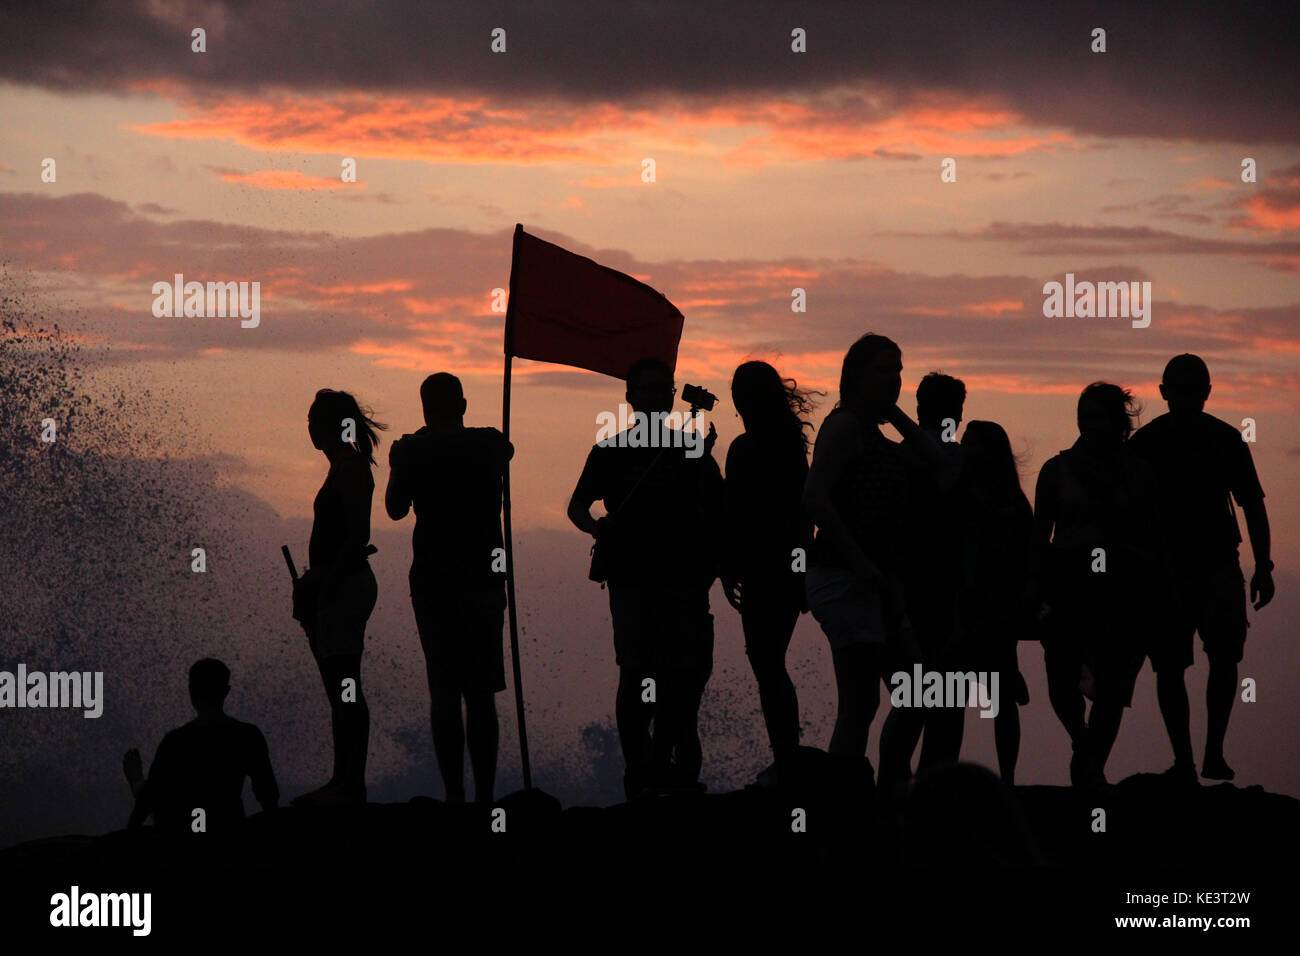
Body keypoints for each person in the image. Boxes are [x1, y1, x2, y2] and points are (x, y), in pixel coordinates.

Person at [568, 357, 723, 798]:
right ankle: (640, 770)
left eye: (664, 390)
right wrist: (598, 527)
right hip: (633, 579)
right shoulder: (608, 451)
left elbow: (716, 509)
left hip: (686, 579)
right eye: (649, 389)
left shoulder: (691, 449)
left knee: (682, 678)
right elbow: (577, 507)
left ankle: (668, 766)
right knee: (637, 674)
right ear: (630, 396)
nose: (657, 396)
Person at [802, 333, 939, 793]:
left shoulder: (877, 432)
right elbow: (814, 498)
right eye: (883, 370)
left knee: (918, 692)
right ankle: (844, 801)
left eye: (898, 370)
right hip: (844, 577)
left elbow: (938, 462)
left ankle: (888, 787)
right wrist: (861, 564)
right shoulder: (843, 428)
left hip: (879, 583)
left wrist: (893, 411)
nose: (895, 379)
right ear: (856, 375)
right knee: (860, 703)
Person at [1129, 354, 1274, 782]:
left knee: (1222, 656)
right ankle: (1189, 761)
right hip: (1170, 571)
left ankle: (1206, 754)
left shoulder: (1224, 440)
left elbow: (1253, 506)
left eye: (1195, 390)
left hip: (1214, 567)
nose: (1189, 398)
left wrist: (1263, 565)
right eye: (1182, 390)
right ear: (1165, 393)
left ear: (1206, 393)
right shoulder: (1146, 446)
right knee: (1173, 666)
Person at [386, 372, 513, 805]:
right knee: (480, 694)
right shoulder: (490, 443)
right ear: (462, 404)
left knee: (444, 691)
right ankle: (486, 797)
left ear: (425, 408)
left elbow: (395, 509)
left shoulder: (413, 450)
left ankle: (455, 796)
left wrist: (399, 459)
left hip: (434, 582)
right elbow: (506, 450)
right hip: (483, 579)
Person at [1031, 383, 1165, 789]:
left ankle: (1090, 769)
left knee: (1112, 687)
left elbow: (1153, 536)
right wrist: (1035, 592)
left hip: (1123, 591)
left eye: (1097, 418)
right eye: (1083, 418)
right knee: (1060, 680)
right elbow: (1039, 539)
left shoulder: (1140, 473)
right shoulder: (1056, 470)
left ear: (1117, 422)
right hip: (1068, 587)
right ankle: (1083, 744)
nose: (1089, 426)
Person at [720, 360, 816, 788]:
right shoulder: (791, 446)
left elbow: (735, 515)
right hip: (785, 566)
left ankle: (786, 757)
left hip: (763, 569)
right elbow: (803, 516)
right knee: (771, 662)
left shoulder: (745, 448)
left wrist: (728, 565)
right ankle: (788, 755)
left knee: (767, 663)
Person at [292, 388, 384, 806]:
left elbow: (356, 537)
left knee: (346, 685)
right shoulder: (343, 467)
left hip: (344, 589)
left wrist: (322, 585)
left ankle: (350, 782)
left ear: (329, 426)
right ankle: (343, 778)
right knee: (339, 687)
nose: (308, 427)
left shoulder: (349, 469)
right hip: (336, 588)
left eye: (313, 420)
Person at [896, 372, 968, 770]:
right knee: (934, 698)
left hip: (928, 587)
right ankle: (922, 786)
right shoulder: (951, 459)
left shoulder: (899, 456)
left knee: (925, 698)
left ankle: (905, 785)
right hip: (929, 587)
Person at [958, 421, 1034, 784]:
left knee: (999, 696)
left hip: (996, 607)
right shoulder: (961, 493)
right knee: (957, 697)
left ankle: (1007, 779)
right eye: (965, 443)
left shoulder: (1009, 503)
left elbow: (1025, 560)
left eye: (974, 444)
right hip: (967, 606)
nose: (966, 450)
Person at [123, 658, 278, 833]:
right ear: (226, 692)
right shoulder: (248, 736)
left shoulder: (176, 741)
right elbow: (269, 796)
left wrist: (136, 782)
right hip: (229, 831)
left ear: (191, 691)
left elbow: (149, 801)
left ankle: (136, 781)